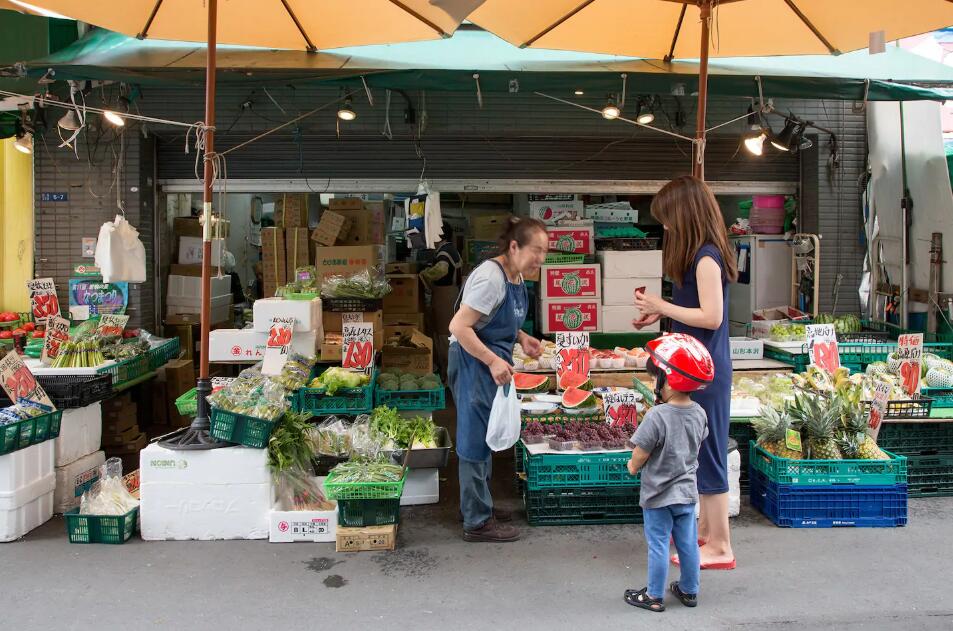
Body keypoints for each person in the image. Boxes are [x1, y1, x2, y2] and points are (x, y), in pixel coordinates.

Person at [633, 175, 739, 570]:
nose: (666, 227)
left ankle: (721, 545)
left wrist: (662, 305)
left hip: (705, 372)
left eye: (668, 218)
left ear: (686, 214)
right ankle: (710, 535)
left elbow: (711, 317)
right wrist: (659, 315)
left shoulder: (707, 256)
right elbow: (694, 314)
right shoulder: (700, 254)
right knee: (700, 454)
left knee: (709, 455)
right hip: (693, 367)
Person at [448, 217, 548, 543]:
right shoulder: (491, 278)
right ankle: (476, 521)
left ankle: (481, 505)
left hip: (488, 363)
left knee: (486, 435)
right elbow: (459, 327)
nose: (541, 259)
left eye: (545, 252)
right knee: (474, 439)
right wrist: (491, 360)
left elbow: (491, 316)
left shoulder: (514, 275)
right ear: (515, 246)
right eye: (537, 250)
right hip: (472, 362)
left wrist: (521, 337)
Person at [624, 333, 713, 613]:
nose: (654, 384)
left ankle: (653, 596)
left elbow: (641, 451)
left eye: (656, 378)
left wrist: (633, 466)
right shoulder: (700, 413)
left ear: (669, 380)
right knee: (687, 544)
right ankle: (689, 589)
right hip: (686, 495)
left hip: (658, 495)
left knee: (659, 544)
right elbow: (699, 440)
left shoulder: (656, 416)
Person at [421, 223, 463, 381]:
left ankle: (448, 375)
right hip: (450, 293)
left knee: (444, 335)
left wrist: (425, 274)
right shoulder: (451, 249)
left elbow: (441, 270)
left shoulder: (445, 251)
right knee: (446, 334)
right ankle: (448, 373)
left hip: (445, 295)